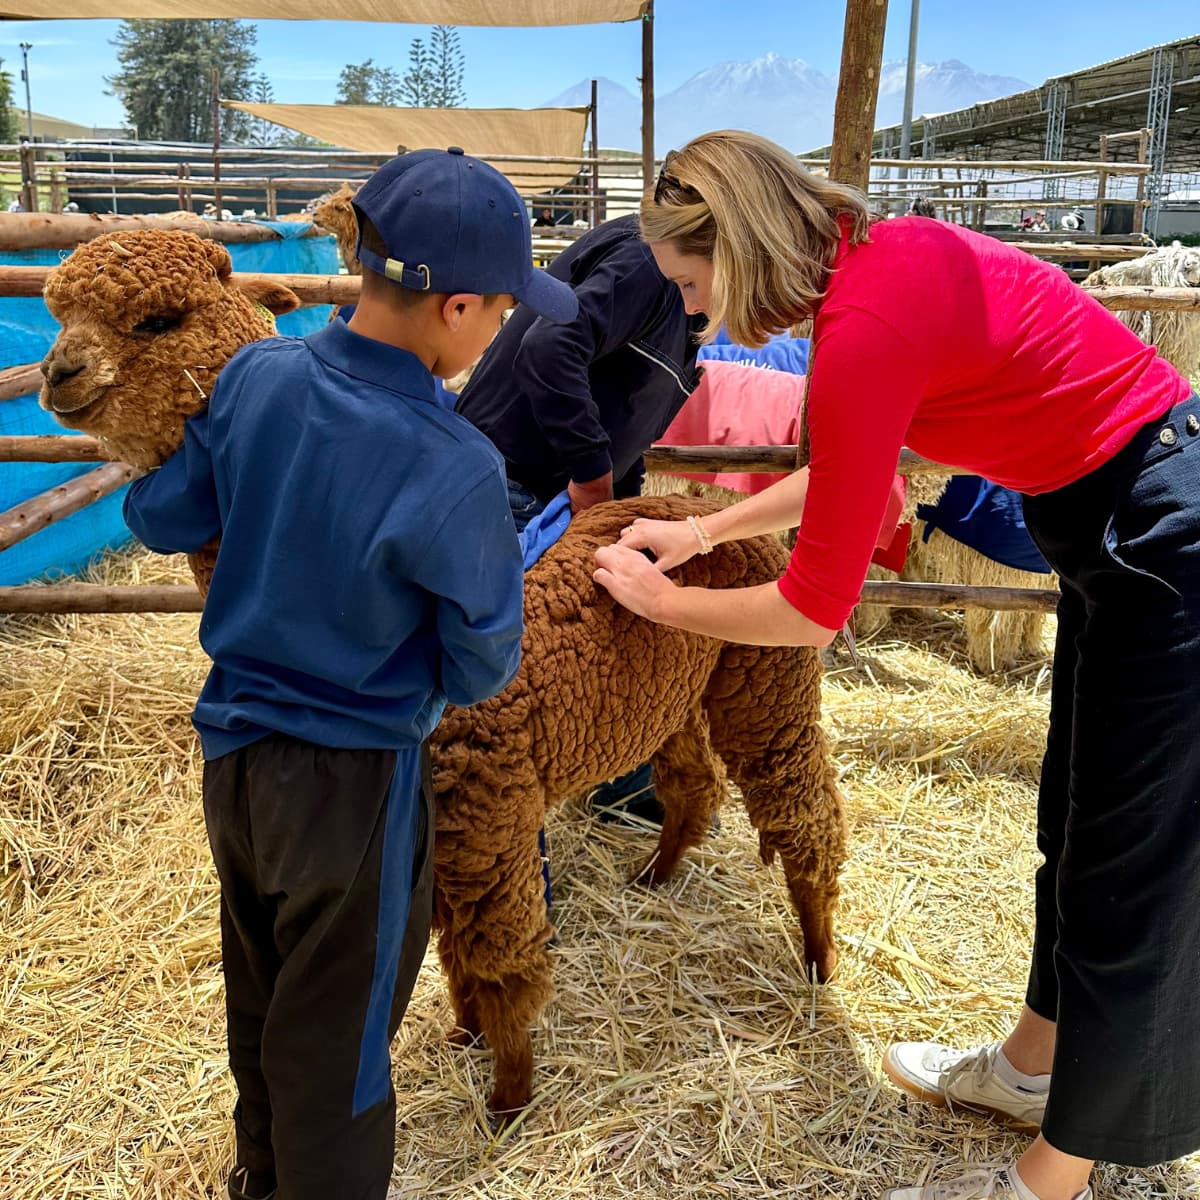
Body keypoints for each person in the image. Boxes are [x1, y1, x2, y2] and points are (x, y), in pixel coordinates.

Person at [592, 129, 1199, 1200]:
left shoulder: (864, 322)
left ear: (734, 246)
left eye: (692, 282)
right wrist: (693, 538)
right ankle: (1030, 1067)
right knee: (1077, 818)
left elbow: (814, 608)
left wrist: (667, 603)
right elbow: (852, 479)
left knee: (1133, 862)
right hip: (1121, 524)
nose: (693, 312)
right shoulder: (877, 267)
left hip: (1168, 534)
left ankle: (1048, 1180)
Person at [123, 147, 578, 1200]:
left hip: (233, 762)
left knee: (265, 994)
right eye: (505, 309)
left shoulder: (256, 377)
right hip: (355, 787)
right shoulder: (453, 461)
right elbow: (481, 660)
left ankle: (262, 1176)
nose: (503, 328)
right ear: (457, 308)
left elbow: (160, 517)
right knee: (342, 1036)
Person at [456, 211, 707, 823]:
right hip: (517, 486)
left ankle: (621, 780)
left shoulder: (684, 294)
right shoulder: (653, 260)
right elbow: (550, 347)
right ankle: (498, 834)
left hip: (552, 488)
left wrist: (626, 506)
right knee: (494, 687)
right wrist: (593, 476)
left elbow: (624, 408)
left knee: (610, 628)